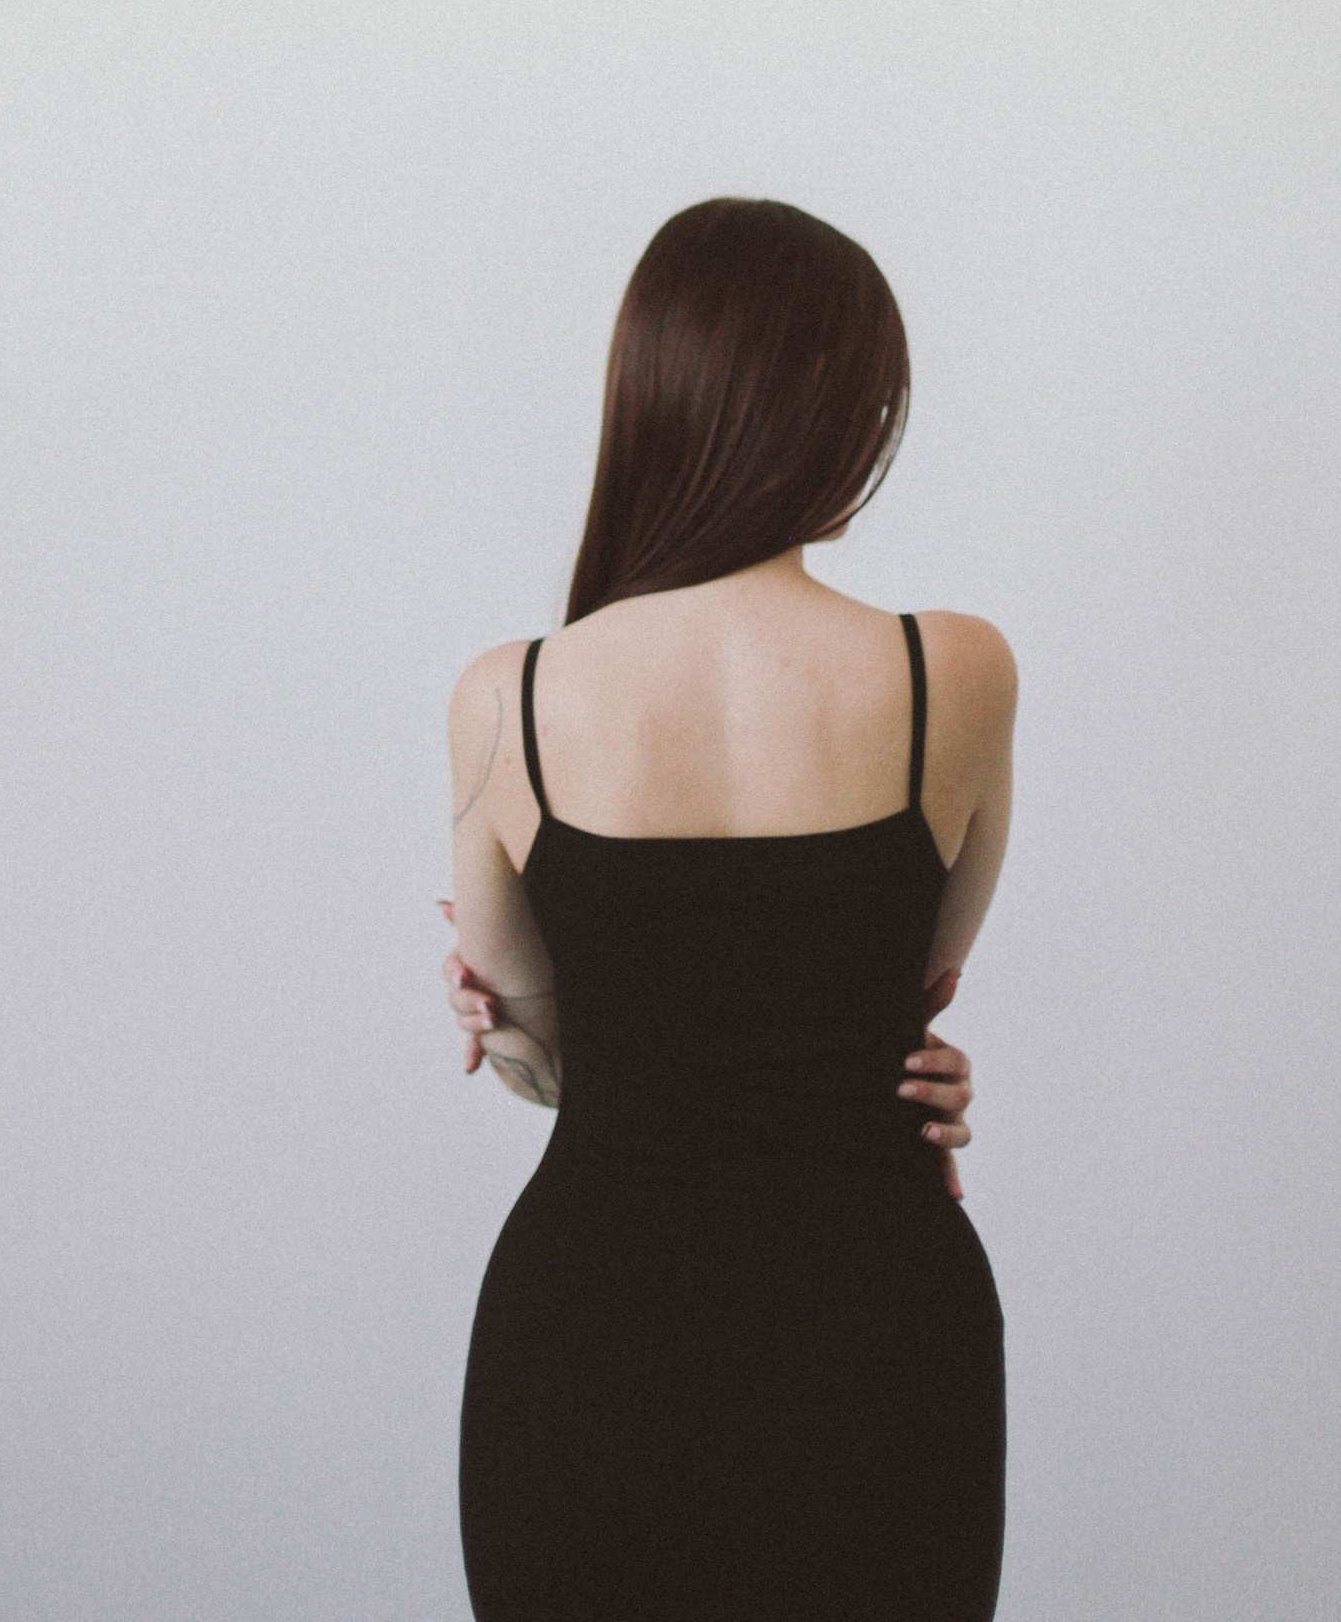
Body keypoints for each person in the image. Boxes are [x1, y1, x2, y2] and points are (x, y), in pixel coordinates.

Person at [440, 198, 1014, 1619]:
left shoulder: (513, 697)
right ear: (831, 411)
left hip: (593, 1338)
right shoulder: (953, 673)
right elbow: (913, 997)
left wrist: (518, 1022)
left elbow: (544, 1067)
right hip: (880, 1332)